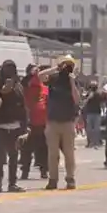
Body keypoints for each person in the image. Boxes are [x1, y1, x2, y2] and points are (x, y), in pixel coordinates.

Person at [39, 55, 81, 190]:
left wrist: (72, 82)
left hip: (68, 122)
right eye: (65, 65)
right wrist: (55, 68)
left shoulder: (72, 81)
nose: (67, 68)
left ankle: (70, 178)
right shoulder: (54, 78)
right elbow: (40, 76)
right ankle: (53, 179)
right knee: (53, 154)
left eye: (70, 66)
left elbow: (77, 99)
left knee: (69, 153)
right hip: (53, 122)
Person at [0, 60, 27, 193]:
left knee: (14, 155)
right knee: (0, 155)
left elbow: (23, 106)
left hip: (15, 125)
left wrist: (25, 125)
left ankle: (12, 183)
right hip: (0, 124)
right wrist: (5, 89)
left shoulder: (18, 85)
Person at [20, 64, 48, 180]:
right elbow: (27, 80)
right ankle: (25, 171)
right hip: (30, 123)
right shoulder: (30, 85)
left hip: (44, 124)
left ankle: (44, 170)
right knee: (26, 149)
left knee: (43, 149)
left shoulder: (45, 89)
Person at [82, 80, 105, 148]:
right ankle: (90, 143)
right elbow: (84, 101)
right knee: (89, 129)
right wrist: (88, 97)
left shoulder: (98, 94)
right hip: (89, 113)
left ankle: (97, 142)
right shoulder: (88, 93)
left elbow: (102, 102)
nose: (93, 88)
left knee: (96, 129)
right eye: (92, 86)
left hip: (97, 113)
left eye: (94, 87)